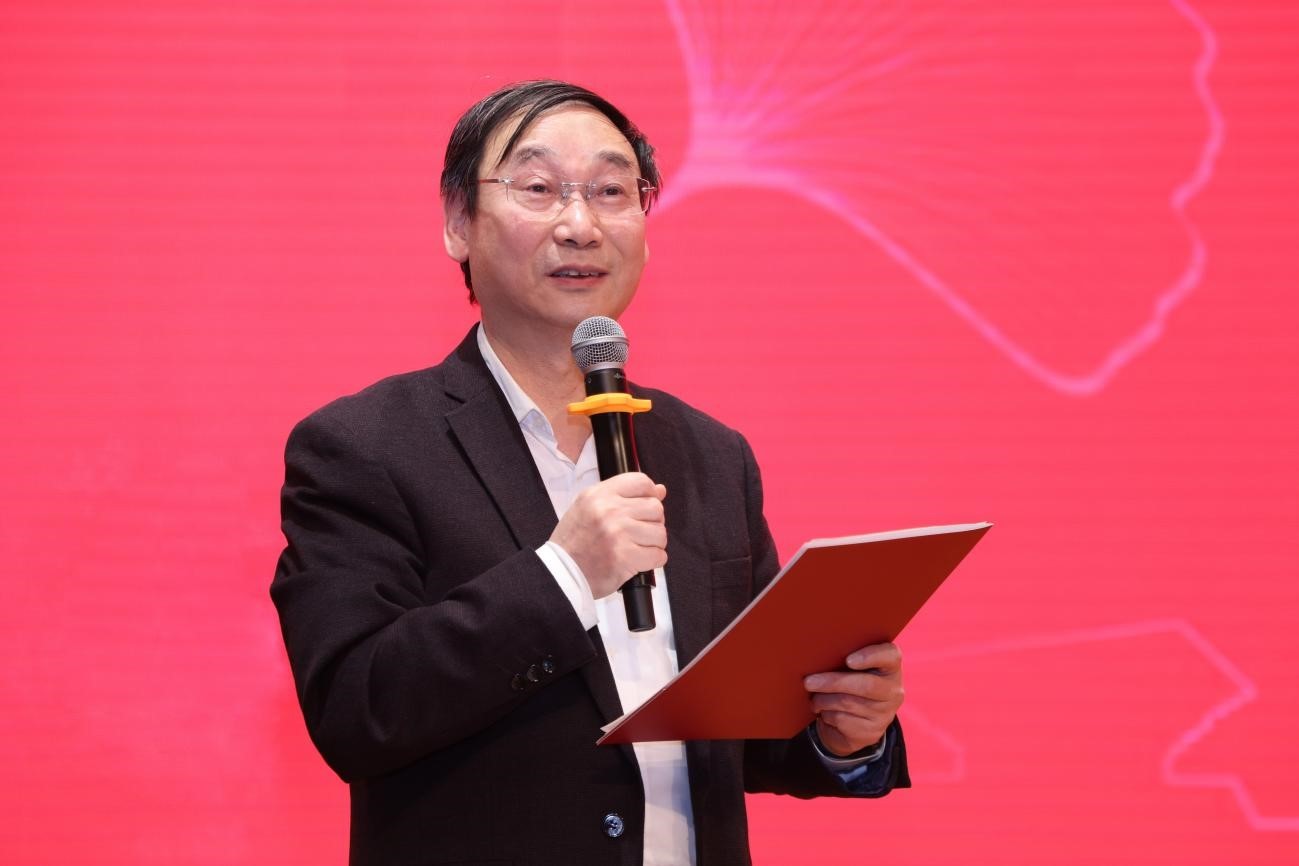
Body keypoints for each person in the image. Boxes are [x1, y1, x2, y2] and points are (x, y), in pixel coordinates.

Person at [271, 79, 908, 866]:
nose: (580, 225)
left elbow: (735, 733)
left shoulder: (710, 455)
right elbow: (356, 710)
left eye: (611, 192)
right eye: (538, 189)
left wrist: (840, 729)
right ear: (458, 222)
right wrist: (564, 575)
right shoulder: (365, 446)